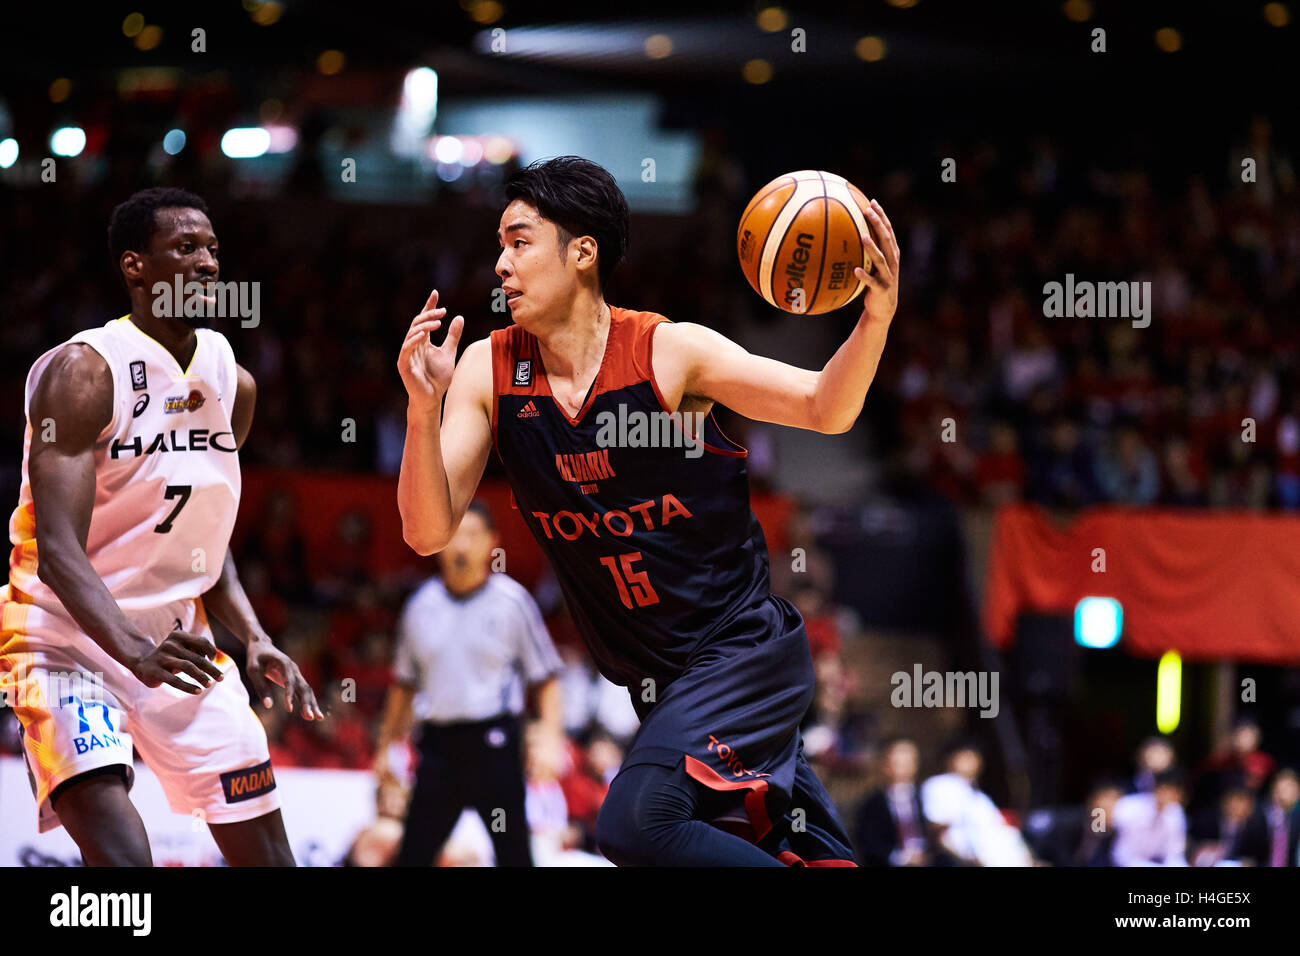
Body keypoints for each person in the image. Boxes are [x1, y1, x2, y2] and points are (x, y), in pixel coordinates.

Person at [396, 155, 900, 865]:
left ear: (581, 253)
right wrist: (424, 410)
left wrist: (876, 315)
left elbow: (826, 405)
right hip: (659, 686)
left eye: (519, 242)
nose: (501, 265)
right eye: (500, 246)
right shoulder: (489, 369)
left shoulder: (670, 354)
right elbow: (425, 531)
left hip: (739, 654)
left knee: (636, 825)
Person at [0, 187, 322, 866]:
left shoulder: (233, 382)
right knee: (124, 862)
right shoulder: (85, 372)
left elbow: (208, 536)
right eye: (185, 248)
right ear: (135, 267)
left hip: (178, 648)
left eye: (212, 250)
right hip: (64, 643)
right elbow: (57, 550)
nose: (207, 264)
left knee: (270, 855)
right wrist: (127, 649)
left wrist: (255, 636)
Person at [376, 500, 564, 867]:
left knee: (514, 856)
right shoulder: (420, 605)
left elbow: (545, 678)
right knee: (412, 856)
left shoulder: (512, 602)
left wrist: (551, 739)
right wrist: (385, 747)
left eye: (473, 535)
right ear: (440, 541)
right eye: (455, 536)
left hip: (496, 745)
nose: (462, 546)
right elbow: (404, 685)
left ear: (492, 542)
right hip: (437, 746)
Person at [853, 737, 932, 866]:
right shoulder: (873, 804)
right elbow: (868, 844)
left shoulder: (926, 797)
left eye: (907, 762)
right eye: (897, 762)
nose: (902, 767)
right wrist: (902, 858)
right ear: (885, 765)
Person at [1111, 768, 1189, 866]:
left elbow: (1174, 855)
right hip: (1122, 861)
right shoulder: (1130, 805)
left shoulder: (1176, 813)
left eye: (1173, 791)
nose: (1166, 795)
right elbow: (1122, 855)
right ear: (1155, 788)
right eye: (1163, 789)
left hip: (1153, 862)